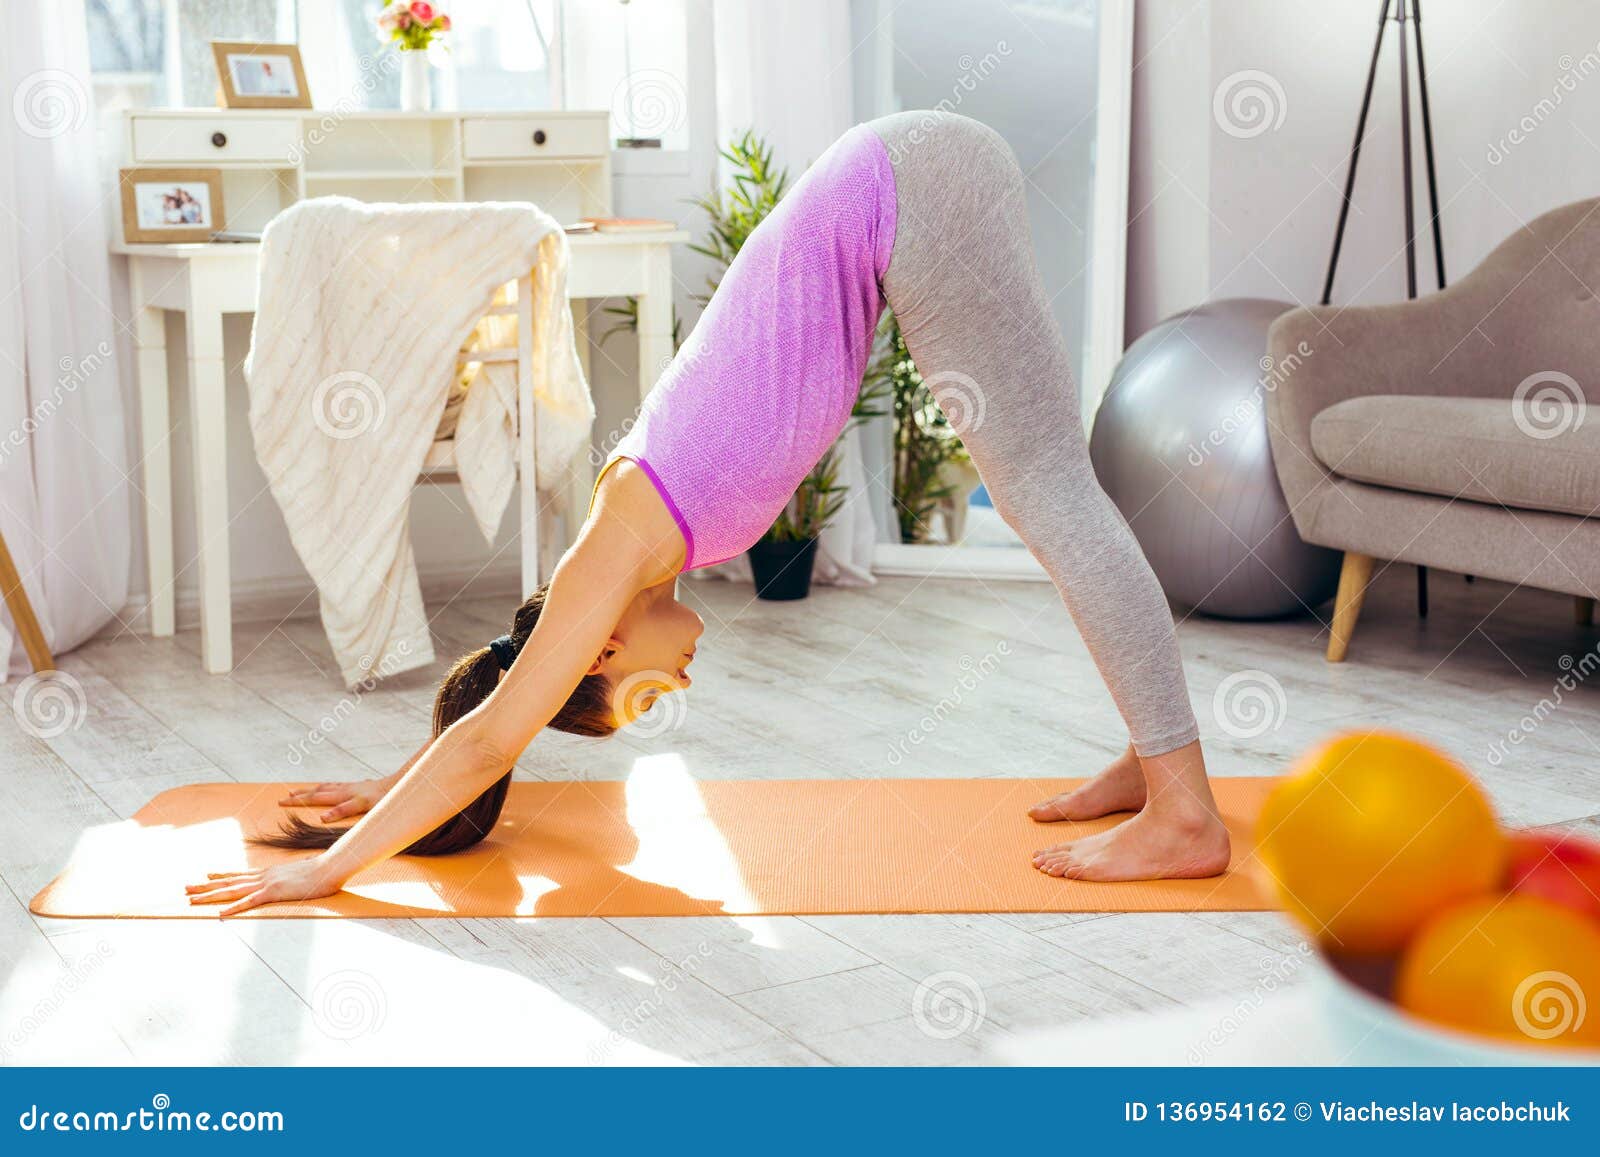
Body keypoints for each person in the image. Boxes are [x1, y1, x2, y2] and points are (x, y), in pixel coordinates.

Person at [187, 112, 1229, 917]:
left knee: (1047, 483)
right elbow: (491, 716)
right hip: (909, 178)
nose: (670, 688)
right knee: (1054, 481)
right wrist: (387, 786)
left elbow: (492, 737)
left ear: (595, 647)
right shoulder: (660, 543)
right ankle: (1153, 754)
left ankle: (1183, 811)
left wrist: (327, 871)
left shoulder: (623, 535)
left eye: (632, 696)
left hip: (908, 184)